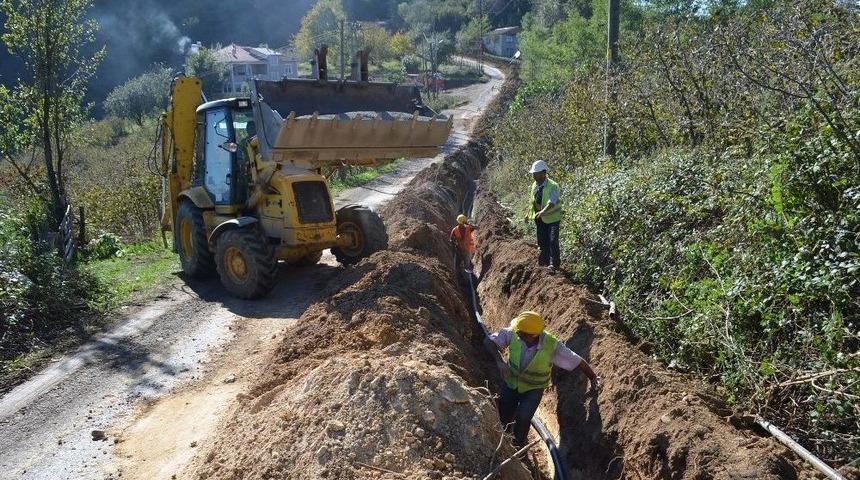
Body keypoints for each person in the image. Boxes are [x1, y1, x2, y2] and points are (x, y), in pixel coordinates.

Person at [485, 311, 599, 447]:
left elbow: (576, 360)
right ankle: (502, 443)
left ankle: (518, 447)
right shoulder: (514, 333)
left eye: (520, 333)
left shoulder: (551, 346)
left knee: (524, 418)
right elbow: (489, 341)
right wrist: (499, 361)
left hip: (533, 389)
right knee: (503, 414)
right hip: (511, 383)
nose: (517, 333)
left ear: (532, 335)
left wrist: (592, 377)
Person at [528, 160, 563, 271]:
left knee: (552, 241)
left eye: (536, 173)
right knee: (542, 240)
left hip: (552, 218)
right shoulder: (534, 185)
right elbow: (532, 201)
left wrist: (543, 211)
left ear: (544, 173)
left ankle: (554, 264)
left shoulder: (553, 186)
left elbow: (551, 202)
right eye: (533, 174)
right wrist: (528, 214)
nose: (534, 176)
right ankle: (544, 262)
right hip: (539, 218)